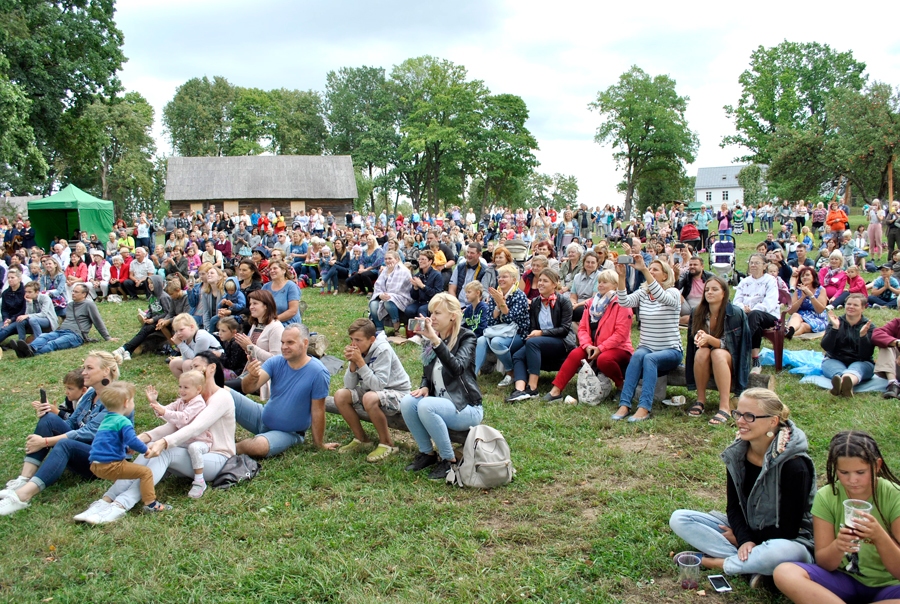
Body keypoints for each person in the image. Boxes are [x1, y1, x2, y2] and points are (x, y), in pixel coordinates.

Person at [670, 389, 815, 585]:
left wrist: (744, 538)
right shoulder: (737, 453)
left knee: (778, 553)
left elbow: (789, 529)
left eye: (749, 416)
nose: (740, 421)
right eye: (738, 413)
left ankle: (718, 562)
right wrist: (744, 538)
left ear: (773, 421)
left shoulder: (795, 465)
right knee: (679, 518)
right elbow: (733, 507)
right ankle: (754, 566)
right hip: (747, 529)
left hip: (789, 542)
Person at [74, 351, 236, 524]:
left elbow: (196, 428)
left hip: (218, 458)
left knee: (165, 451)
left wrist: (164, 443)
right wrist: (145, 438)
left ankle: (121, 505)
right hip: (191, 453)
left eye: (196, 366)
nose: (190, 370)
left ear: (211, 369)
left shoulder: (221, 397)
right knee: (152, 447)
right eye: (190, 367)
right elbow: (172, 425)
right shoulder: (191, 396)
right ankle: (106, 500)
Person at [774, 431, 900, 604]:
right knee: (785, 572)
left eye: (860, 472)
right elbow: (824, 562)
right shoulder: (827, 496)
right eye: (844, 472)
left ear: (877, 465)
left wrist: (879, 535)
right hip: (844, 580)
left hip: (890, 586)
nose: (852, 480)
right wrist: (838, 546)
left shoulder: (894, 495)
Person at [0, 353, 120, 516]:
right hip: (85, 450)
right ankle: (23, 479)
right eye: (84, 367)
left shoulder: (116, 398)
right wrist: (51, 414)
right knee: (48, 419)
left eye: (89, 368)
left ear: (106, 371)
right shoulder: (91, 394)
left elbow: (89, 432)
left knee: (65, 444)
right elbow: (71, 424)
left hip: (104, 461)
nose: (83, 372)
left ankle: (21, 497)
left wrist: (46, 441)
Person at [400, 293, 483, 481]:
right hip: (441, 404)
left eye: (437, 313)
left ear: (452, 316)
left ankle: (450, 460)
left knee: (425, 405)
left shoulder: (467, 337)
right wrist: (425, 386)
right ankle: (427, 454)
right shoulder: (433, 339)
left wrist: (435, 341)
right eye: (431, 313)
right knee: (407, 402)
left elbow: (457, 369)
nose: (432, 318)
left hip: (466, 407)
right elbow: (427, 373)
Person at [232, 324, 335, 457]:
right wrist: (252, 376)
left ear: (305, 343)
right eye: (282, 342)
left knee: (259, 447)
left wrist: (319, 444)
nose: (284, 347)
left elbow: (318, 410)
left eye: (290, 342)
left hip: (288, 433)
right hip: (262, 417)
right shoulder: (276, 361)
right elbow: (248, 388)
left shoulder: (318, 372)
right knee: (222, 392)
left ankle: (226, 448)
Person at [543, 269, 633, 402]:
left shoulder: (622, 303)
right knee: (575, 354)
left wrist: (601, 348)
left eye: (605, 282)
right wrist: (586, 345)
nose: (600, 285)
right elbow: (583, 328)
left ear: (615, 285)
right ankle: (556, 391)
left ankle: (621, 386)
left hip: (619, 348)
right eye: (599, 282)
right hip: (592, 346)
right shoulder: (591, 303)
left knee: (604, 359)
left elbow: (621, 334)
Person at [612, 254, 682, 422]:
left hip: (671, 350)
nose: (650, 272)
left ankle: (644, 407)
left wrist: (643, 269)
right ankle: (625, 404)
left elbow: (661, 296)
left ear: (665, 275)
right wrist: (621, 277)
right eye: (649, 269)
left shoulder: (672, 292)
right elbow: (624, 302)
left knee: (650, 359)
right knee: (637, 356)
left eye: (655, 270)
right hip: (647, 346)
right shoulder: (643, 293)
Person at [333, 319, 412, 463]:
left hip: (398, 394)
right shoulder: (360, 350)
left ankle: (387, 444)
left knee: (369, 397)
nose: (353, 344)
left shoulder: (383, 350)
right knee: (340, 395)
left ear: (372, 339)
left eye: (358, 340)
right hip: (372, 391)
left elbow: (378, 386)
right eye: (351, 339)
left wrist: (361, 363)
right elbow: (349, 386)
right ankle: (362, 439)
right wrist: (352, 363)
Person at [88, 381, 170, 513]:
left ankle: (108, 500)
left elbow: (112, 441)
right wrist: (146, 450)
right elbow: (132, 440)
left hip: (95, 464)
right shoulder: (123, 421)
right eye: (132, 400)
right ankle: (151, 503)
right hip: (110, 465)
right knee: (146, 472)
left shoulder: (106, 420)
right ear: (126, 403)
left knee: (128, 471)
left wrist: (125, 447)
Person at [685, 276, 752, 426]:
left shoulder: (735, 314)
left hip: (731, 359)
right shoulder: (697, 312)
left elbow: (734, 346)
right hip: (707, 358)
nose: (709, 292)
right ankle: (700, 400)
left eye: (715, 289)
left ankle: (725, 407)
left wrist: (709, 339)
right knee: (701, 352)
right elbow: (693, 344)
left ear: (724, 293)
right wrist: (700, 339)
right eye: (707, 289)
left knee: (718, 353)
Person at [506, 269, 574, 402]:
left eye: (545, 281)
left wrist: (541, 333)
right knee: (518, 355)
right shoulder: (536, 302)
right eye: (540, 280)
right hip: (540, 341)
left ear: (554, 284)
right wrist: (534, 333)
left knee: (533, 342)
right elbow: (533, 326)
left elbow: (565, 329)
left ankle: (532, 388)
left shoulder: (564, 302)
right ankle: (520, 390)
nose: (541, 283)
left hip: (561, 341)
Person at [145, 371, 212, 498]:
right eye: (180, 386)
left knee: (194, 448)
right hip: (184, 441)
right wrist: (155, 403)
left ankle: (199, 481)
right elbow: (166, 410)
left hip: (201, 441)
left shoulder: (198, 402)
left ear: (198, 389)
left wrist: (163, 411)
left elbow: (184, 418)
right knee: (160, 446)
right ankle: (166, 470)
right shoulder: (181, 401)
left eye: (186, 387)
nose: (181, 390)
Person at [12, 283, 114, 358]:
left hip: (75, 335)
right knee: (44, 336)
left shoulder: (89, 305)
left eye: (76, 292)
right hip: (61, 331)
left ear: (84, 294)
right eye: (73, 291)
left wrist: (107, 337)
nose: (73, 293)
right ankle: (30, 348)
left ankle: (29, 353)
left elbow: (97, 321)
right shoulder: (70, 305)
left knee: (53, 343)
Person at [475, 263, 530, 386]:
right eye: (499, 277)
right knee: (481, 340)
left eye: (505, 277)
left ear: (513, 280)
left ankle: (510, 372)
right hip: (498, 330)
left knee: (496, 342)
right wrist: (498, 306)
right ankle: (473, 374)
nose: (500, 279)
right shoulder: (495, 294)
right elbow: (490, 320)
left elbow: (512, 318)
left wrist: (501, 304)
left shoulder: (520, 295)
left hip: (518, 334)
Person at [224, 290, 284, 399]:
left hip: (265, 375)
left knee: (223, 388)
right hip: (250, 371)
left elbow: (277, 359)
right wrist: (244, 346)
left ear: (266, 305)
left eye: (255, 303)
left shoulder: (276, 327)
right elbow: (252, 352)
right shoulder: (256, 325)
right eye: (250, 304)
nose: (251, 307)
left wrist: (250, 346)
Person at [733, 253, 780, 374]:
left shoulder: (770, 281)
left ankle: (740, 349)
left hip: (768, 314)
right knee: (754, 324)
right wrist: (743, 307)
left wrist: (753, 309)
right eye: (751, 263)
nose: (753, 265)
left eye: (757, 263)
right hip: (747, 315)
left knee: (755, 315)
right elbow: (736, 301)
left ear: (764, 266)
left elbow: (770, 302)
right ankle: (755, 361)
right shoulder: (744, 282)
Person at [821, 294, 874, 397]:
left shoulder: (868, 326)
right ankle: (843, 384)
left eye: (855, 305)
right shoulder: (836, 322)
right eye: (848, 304)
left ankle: (844, 383)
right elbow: (826, 347)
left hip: (861, 361)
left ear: (863, 308)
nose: (851, 307)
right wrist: (835, 329)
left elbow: (866, 354)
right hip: (835, 359)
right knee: (836, 370)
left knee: (856, 370)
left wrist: (863, 336)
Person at [113, 275, 176, 362]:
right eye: (149, 283)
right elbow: (150, 310)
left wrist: (153, 320)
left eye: (152, 283)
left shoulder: (164, 297)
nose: (150, 285)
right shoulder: (152, 297)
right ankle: (128, 351)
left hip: (162, 322)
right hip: (153, 321)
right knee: (142, 333)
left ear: (158, 284)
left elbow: (167, 313)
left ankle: (124, 348)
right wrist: (147, 316)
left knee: (145, 330)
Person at [368, 250, 413, 333]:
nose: (387, 261)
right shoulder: (385, 270)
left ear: (396, 259)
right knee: (373, 304)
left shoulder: (403, 271)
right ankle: (379, 329)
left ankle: (396, 323)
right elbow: (378, 285)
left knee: (388, 301)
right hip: (386, 296)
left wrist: (390, 272)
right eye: (385, 259)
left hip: (402, 297)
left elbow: (396, 289)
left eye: (390, 258)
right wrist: (380, 295)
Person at [167, 313, 222, 377]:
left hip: (215, 363)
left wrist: (180, 344)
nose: (178, 333)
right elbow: (185, 357)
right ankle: (184, 385)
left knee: (187, 364)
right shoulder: (185, 338)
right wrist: (181, 344)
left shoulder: (201, 336)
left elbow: (196, 358)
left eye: (181, 329)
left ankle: (192, 385)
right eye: (176, 331)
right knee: (173, 363)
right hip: (201, 362)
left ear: (192, 327)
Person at [785, 266, 829, 339]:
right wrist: (802, 298)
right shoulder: (797, 291)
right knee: (795, 315)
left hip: (817, 317)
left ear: (813, 277)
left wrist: (811, 295)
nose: (805, 277)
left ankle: (789, 335)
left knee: (803, 326)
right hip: (801, 314)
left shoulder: (821, 290)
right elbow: (790, 311)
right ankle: (790, 330)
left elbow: (820, 310)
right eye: (802, 276)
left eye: (807, 275)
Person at [262, 260, 302, 326]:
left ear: (283, 271)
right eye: (270, 269)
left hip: (288, 324)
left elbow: (293, 311)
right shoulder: (266, 287)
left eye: (275, 268)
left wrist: (273, 320)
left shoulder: (291, 286)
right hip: (269, 323)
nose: (272, 271)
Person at [405, 249, 443, 319]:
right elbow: (414, 297)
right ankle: (413, 328)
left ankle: (426, 328)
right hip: (420, 302)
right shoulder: (417, 275)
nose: (420, 261)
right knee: (409, 310)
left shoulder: (437, 275)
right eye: (419, 259)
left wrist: (422, 286)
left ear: (430, 261)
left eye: (423, 259)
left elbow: (437, 293)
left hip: (432, 302)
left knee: (421, 310)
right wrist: (415, 288)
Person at [569, 250, 599, 324]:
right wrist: (574, 303)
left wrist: (577, 305)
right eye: (587, 262)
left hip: (591, 304)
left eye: (593, 262)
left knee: (577, 312)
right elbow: (573, 296)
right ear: (584, 263)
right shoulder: (577, 277)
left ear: (597, 264)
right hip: (577, 303)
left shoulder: (600, 277)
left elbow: (594, 298)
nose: (590, 264)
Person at [0, 268, 27, 346]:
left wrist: (11, 320)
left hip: (19, 319)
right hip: (8, 318)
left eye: (12, 277)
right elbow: (4, 309)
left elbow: (24, 309)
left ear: (19, 279)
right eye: (8, 278)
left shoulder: (24, 291)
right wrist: (6, 319)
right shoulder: (5, 293)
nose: (10, 280)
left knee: (5, 330)